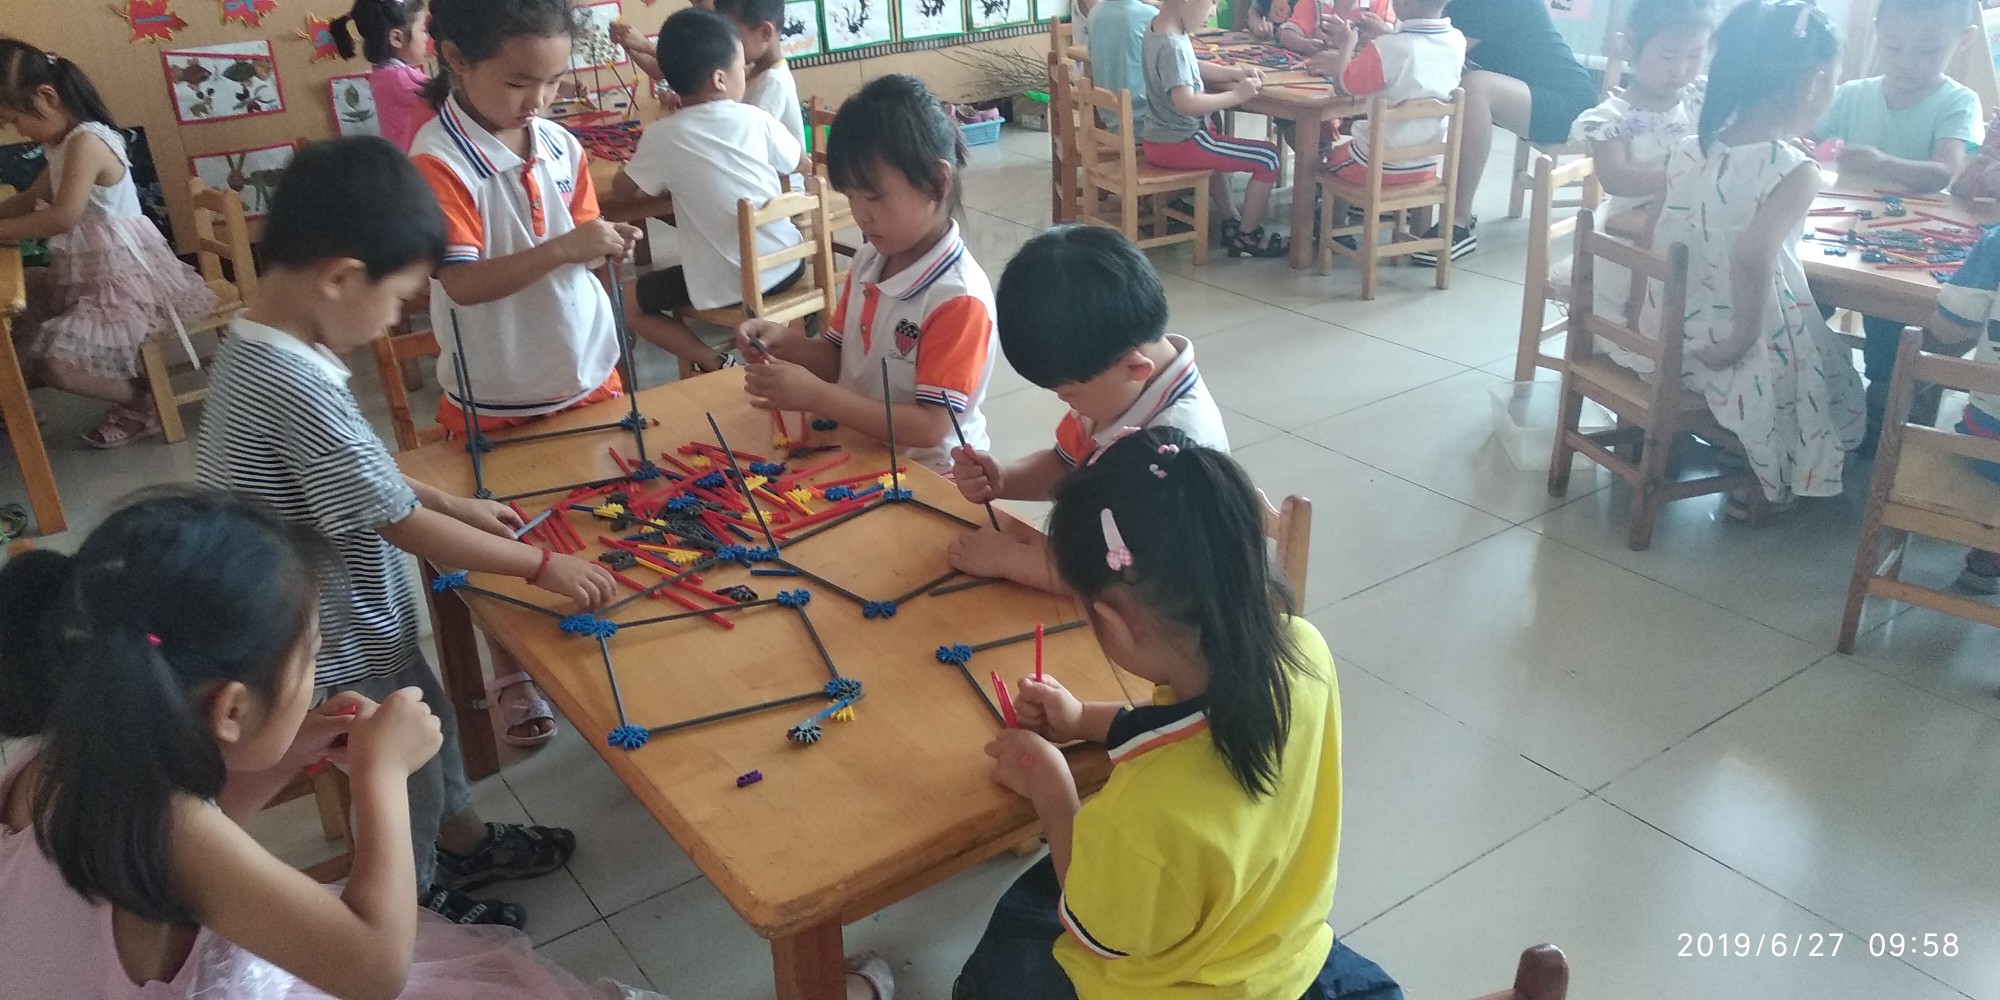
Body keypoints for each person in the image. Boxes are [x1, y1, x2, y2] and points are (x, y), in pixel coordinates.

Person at [0, 488, 667, 1000]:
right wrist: (383, 776)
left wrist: (291, 751)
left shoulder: (63, 756)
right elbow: (373, 970)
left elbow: (198, 851)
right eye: (312, 657)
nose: (316, 677)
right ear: (232, 709)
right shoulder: (171, 836)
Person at [195, 137, 615, 930]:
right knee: (395, 763)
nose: (396, 319)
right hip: (328, 637)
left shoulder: (263, 343)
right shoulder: (292, 382)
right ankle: (411, 900)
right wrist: (539, 565)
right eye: (397, 300)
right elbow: (398, 521)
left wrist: (455, 504)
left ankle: (464, 841)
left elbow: (363, 475)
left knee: (431, 724)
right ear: (341, 277)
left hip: (334, 616)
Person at [952, 428, 1354, 1000]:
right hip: (1282, 941)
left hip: (1186, 985)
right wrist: (1081, 718)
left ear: (1114, 623)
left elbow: (1097, 927)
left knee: (999, 966)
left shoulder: (1145, 817)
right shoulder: (1302, 647)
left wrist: (1052, 789)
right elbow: (1190, 720)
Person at [1640, 0, 1864, 520]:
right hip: (1737, 343)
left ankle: (1728, 446)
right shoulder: (1795, 169)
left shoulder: (1688, 147)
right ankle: (1767, 476)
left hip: (1670, 332)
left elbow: (1655, 234)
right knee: (1835, 374)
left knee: (1818, 354)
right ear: (1810, 85)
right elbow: (1753, 252)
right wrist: (1742, 337)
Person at [734, 74, 998, 476]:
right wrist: (784, 343)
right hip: (865, 451)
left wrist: (819, 397)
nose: (860, 214)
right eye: (851, 197)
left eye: (874, 197)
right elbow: (839, 360)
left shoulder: (956, 297)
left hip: (933, 475)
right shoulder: (870, 260)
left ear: (937, 183)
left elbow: (930, 427)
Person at [410, 0, 643, 441]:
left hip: (586, 372)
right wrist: (563, 249)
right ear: (456, 58)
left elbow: (583, 246)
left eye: (553, 81)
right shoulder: (439, 160)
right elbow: (461, 284)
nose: (538, 100)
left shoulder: (560, 144)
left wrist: (606, 246)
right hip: (499, 395)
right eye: (518, 82)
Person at [949, 226, 1228, 592]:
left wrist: (1010, 560)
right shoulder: (1118, 386)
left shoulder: (1174, 445)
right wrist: (1004, 478)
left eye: (1068, 394)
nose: (1065, 403)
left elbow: (1125, 582)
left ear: (1135, 368)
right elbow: (1067, 465)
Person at [0, 38, 216, 449]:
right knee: (24, 305)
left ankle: (145, 401)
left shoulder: (87, 142)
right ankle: (12, 401)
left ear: (46, 97)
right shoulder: (61, 143)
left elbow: (63, 216)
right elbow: (31, 199)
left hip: (123, 279)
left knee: (55, 363)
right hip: (94, 272)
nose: (17, 131)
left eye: (14, 120)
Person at [1810, 0, 1983, 453]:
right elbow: (1813, 141)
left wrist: (1879, 162)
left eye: (1927, 50)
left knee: (1892, 335)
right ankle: (1807, 389)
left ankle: (1882, 414)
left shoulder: (1958, 100)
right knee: (1800, 304)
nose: (1908, 61)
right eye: (1893, 46)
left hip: (1908, 251)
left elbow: (1943, 171)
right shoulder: (1852, 93)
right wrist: (1813, 147)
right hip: (1839, 237)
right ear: (1876, 33)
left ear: (1963, 41)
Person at [614, 8, 805, 375]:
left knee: (628, 302)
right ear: (719, 78)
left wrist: (641, 169)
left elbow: (622, 192)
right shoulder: (757, 119)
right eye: (741, 66)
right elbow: (801, 162)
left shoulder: (662, 136)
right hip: (788, 265)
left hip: (728, 285)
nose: (746, 72)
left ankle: (716, 362)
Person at [1562, 0, 1713, 332]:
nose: (1681, 69)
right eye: (1668, 56)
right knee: (1647, 312)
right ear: (1632, 46)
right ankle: (1642, 341)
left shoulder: (1700, 98)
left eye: (1695, 55)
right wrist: (1676, 179)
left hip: (1688, 221)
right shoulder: (1611, 118)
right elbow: (1615, 179)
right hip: (1630, 234)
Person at [1417, 0, 1599, 264]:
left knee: (1474, 88)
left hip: (1569, 104)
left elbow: (1436, 56)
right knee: (1424, 79)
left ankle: (1459, 219)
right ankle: (1401, 191)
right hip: (1526, 91)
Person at [1142, 0, 1288, 258]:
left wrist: (1235, 73)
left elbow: (1190, 68)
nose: (1214, 11)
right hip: (1181, 142)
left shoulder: (1159, 28)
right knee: (1269, 157)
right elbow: (1187, 103)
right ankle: (1246, 236)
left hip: (1162, 139)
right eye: (1212, 2)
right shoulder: (1173, 45)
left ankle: (1231, 220)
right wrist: (1236, 95)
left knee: (1218, 141)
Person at [1307, 0, 1466, 190]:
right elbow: (1414, 57)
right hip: (1425, 165)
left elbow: (1342, 88)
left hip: (1373, 165)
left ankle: (1330, 208)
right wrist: (1387, 35)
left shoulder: (1386, 47)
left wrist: (1346, 45)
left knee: (1324, 162)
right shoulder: (1457, 41)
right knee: (1347, 152)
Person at [1919, 226, 2000, 593]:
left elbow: (1948, 330)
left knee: (1970, 416)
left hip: (1989, 449)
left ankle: (1987, 546)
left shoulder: (1995, 242)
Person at [330, 0, 435, 151]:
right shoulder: (399, 78)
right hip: (420, 157)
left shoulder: (383, 74)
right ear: (397, 39)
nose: (426, 37)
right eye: (423, 30)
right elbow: (446, 97)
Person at [715, 0, 805, 148]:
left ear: (765, 32)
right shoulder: (749, 72)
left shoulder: (773, 82)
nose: (728, 47)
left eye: (736, 38)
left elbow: (749, 140)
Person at [1085, 0, 1158, 123]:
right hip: (1144, 119)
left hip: (1107, 115)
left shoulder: (1094, 14)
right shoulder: (1150, 15)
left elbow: (1090, 55)